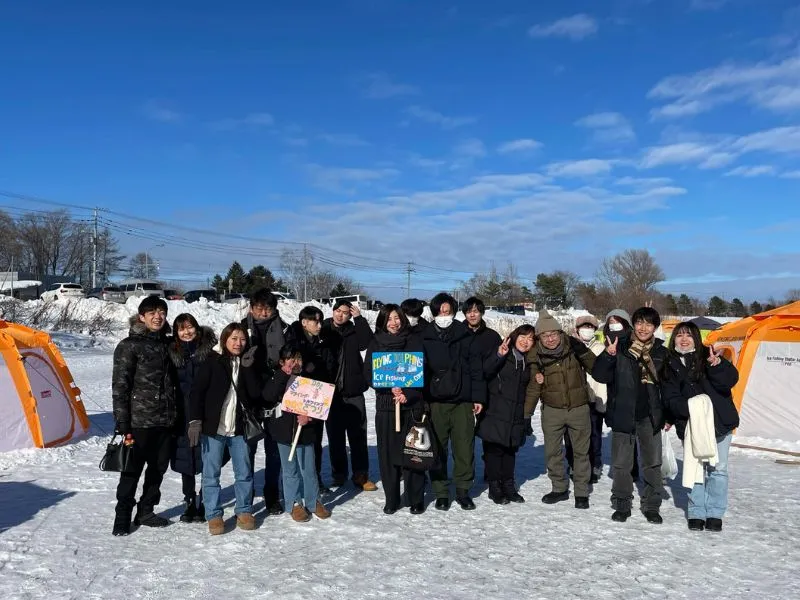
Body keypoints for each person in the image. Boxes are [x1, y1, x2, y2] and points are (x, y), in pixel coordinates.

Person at [661, 321, 739, 532]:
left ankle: (715, 512)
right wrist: (690, 410)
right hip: (690, 425)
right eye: (679, 335)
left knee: (718, 469)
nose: (684, 339)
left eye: (688, 335)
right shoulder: (669, 364)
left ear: (696, 338)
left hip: (719, 422)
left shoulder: (710, 356)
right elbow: (670, 397)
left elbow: (730, 381)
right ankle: (696, 512)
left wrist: (718, 364)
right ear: (673, 339)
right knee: (695, 469)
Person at [592, 306, 668, 524]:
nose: (643, 328)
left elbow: (668, 386)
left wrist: (668, 414)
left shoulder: (661, 352)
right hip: (623, 413)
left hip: (650, 416)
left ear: (655, 327)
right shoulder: (620, 346)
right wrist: (608, 356)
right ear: (633, 324)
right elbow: (599, 375)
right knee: (621, 464)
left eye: (649, 324)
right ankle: (622, 503)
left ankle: (652, 505)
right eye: (640, 322)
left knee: (652, 463)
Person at [111, 295, 178, 536]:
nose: (157, 316)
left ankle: (146, 511)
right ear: (141, 316)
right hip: (138, 422)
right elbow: (120, 386)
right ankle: (122, 516)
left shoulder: (169, 345)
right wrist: (122, 421)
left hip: (166, 421)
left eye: (161, 312)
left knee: (158, 470)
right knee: (131, 471)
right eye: (152, 312)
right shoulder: (129, 346)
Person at [188, 323, 264, 535]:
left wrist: (248, 369)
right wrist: (195, 420)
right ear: (225, 340)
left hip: (239, 429)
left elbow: (256, 394)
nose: (238, 343)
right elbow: (197, 393)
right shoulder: (212, 362)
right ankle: (213, 514)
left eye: (242, 339)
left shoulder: (249, 362)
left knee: (244, 472)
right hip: (214, 429)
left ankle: (244, 510)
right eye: (234, 338)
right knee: (211, 474)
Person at [524, 310, 596, 509]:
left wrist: (588, 352)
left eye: (553, 334)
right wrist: (526, 414)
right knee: (552, 452)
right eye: (545, 335)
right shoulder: (535, 355)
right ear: (539, 337)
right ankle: (559, 487)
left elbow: (597, 369)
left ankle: (581, 491)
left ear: (560, 333)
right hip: (552, 410)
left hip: (578, 408)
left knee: (581, 451)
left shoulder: (573, 347)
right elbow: (533, 387)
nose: (550, 339)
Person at [421, 292, 485, 511]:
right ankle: (440, 491)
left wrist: (478, 397)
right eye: (440, 310)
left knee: (464, 447)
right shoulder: (425, 335)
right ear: (434, 312)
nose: (444, 314)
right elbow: (419, 370)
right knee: (437, 448)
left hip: (463, 401)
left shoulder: (464, 334)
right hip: (436, 401)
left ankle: (463, 490)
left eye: (448, 310)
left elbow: (476, 369)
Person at [364, 304, 427, 514]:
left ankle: (415, 497)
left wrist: (407, 393)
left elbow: (421, 373)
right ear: (382, 322)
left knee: (412, 454)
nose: (394, 322)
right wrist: (387, 386)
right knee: (388, 455)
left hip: (411, 408)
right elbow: (369, 375)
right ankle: (391, 497)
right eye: (389, 319)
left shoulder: (414, 341)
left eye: (397, 318)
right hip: (386, 408)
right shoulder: (375, 343)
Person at [262, 344, 332, 523]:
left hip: (306, 431)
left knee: (309, 468)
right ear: (282, 362)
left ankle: (313, 501)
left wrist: (310, 418)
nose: (295, 363)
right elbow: (268, 396)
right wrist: (282, 374)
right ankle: (293, 502)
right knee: (289, 469)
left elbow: (321, 405)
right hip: (284, 431)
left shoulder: (310, 379)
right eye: (291, 359)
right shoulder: (277, 376)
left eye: (299, 359)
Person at [320, 299, 377, 491]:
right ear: (333, 311)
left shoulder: (354, 331)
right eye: (338, 311)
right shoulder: (324, 329)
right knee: (335, 437)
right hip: (331, 393)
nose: (340, 315)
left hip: (353, 391)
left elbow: (368, 342)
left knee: (358, 436)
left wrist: (359, 319)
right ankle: (339, 474)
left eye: (345, 312)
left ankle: (361, 475)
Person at [240, 288, 288, 514]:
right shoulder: (240, 329)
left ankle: (272, 494)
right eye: (258, 307)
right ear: (251, 307)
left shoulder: (285, 329)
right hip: (249, 398)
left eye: (267, 307)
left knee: (274, 451)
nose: (263, 311)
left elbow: (293, 358)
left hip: (276, 397)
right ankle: (246, 495)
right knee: (247, 451)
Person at [168, 313, 217, 523]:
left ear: (197, 329)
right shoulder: (171, 354)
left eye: (190, 327)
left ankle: (206, 500)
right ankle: (189, 501)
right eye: (181, 328)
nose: (186, 332)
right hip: (181, 415)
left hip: (205, 414)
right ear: (176, 333)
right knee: (186, 458)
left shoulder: (209, 353)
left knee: (207, 458)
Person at [477, 324, 534, 505]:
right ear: (515, 336)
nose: (526, 341)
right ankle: (495, 487)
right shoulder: (503, 353)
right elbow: (486, 371)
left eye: (530, 338)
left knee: (510, 451)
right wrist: (499, 355)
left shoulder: (528, 361)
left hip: (515, 413)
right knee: (494, 451)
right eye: (523, 337)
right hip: (495, 411)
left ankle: (509, 485)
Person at [285, 306, 337, 492]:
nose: (319, 325)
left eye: (320, 321)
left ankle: (314, 480)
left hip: (317, 395)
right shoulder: (293, 341)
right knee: (295, 440)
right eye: (315, 321)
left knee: (315, 441)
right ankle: (293, 484)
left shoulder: (322, 342)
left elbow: (329, 366)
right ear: (304, 322)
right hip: (296, 396)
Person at [461, 296, 502, 481]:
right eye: (469, 311)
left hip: (488, 389)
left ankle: (489, 468)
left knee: (487, 432)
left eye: (476, 311)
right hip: (462, 389)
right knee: (464, 434)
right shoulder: (457, 333)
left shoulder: (492, 336)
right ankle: (464, 471)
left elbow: (499, 360)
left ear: (482, 313)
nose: (472, 314)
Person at [563, 315, 607, 484]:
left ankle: (595, 463)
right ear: (577, 329)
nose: (587, 329)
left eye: (590, 326)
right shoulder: (568, 346)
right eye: (584, 326)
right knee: (572, 435)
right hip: (573, 398)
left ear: (595, 330)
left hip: (595, 397)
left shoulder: (601, 348)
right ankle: (574, 464)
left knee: (595, 433)